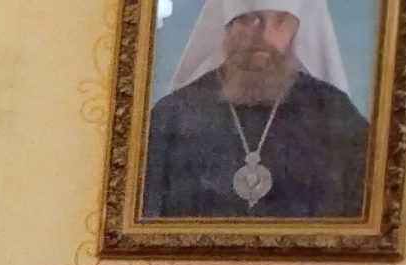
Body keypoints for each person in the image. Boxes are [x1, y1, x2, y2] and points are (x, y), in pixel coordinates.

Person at [142, 0, 370, 219]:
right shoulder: (174, 115)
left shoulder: (334, 113)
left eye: (280, 21)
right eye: (249, 19)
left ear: (296, 30)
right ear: (227, 26)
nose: (264, 37)